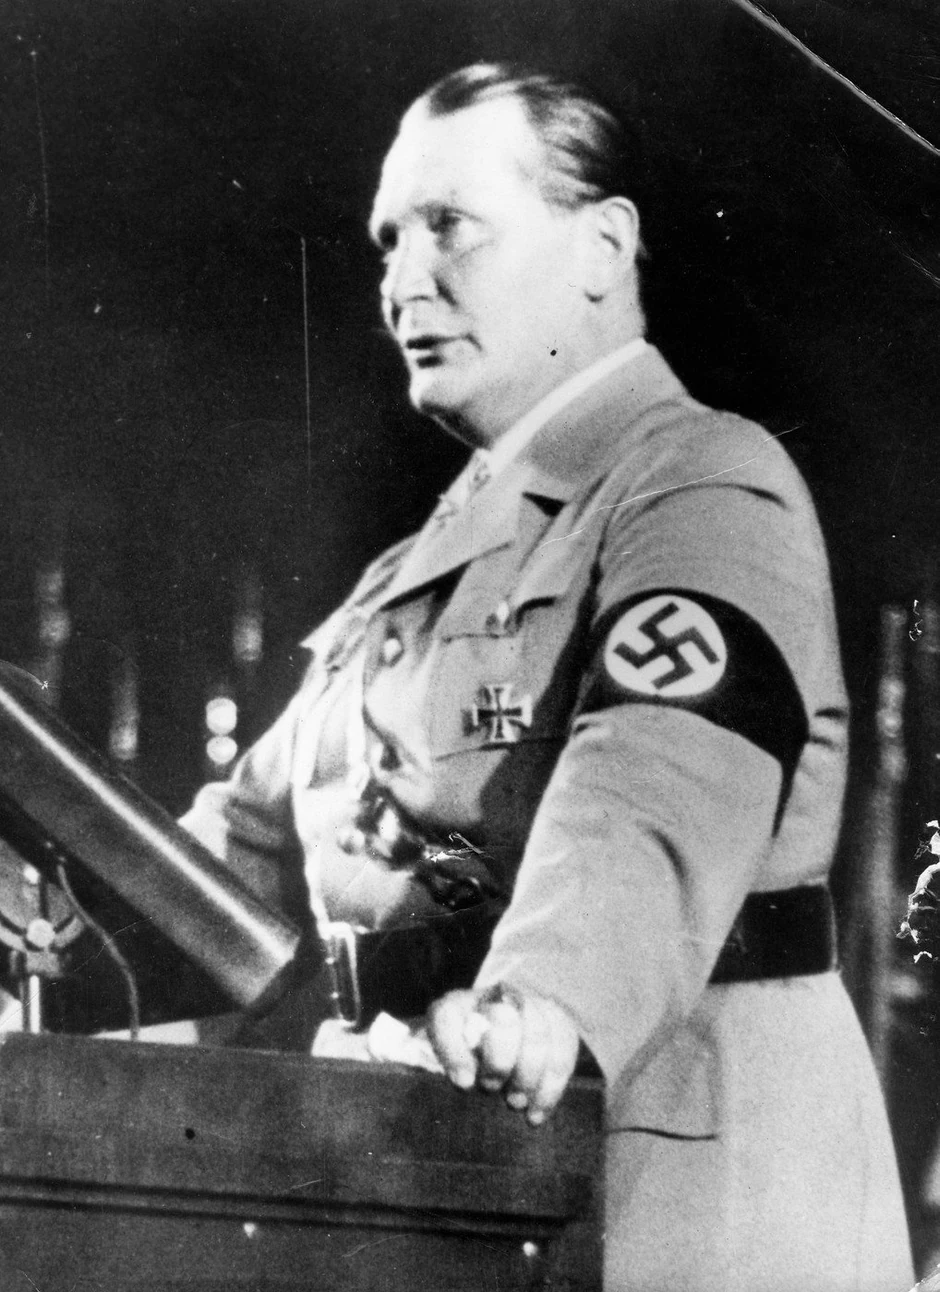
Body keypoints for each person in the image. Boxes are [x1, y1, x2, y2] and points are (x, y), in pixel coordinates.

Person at [182, 63, 914, 1291]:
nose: (402, 280)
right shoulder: (413, 572)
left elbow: (651, 777)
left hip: (673, 1188)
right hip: (460, 1172)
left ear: (602, 246)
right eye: (388, 241)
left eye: (449, 225)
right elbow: (227, 860)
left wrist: (542, 998)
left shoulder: (701, 482)